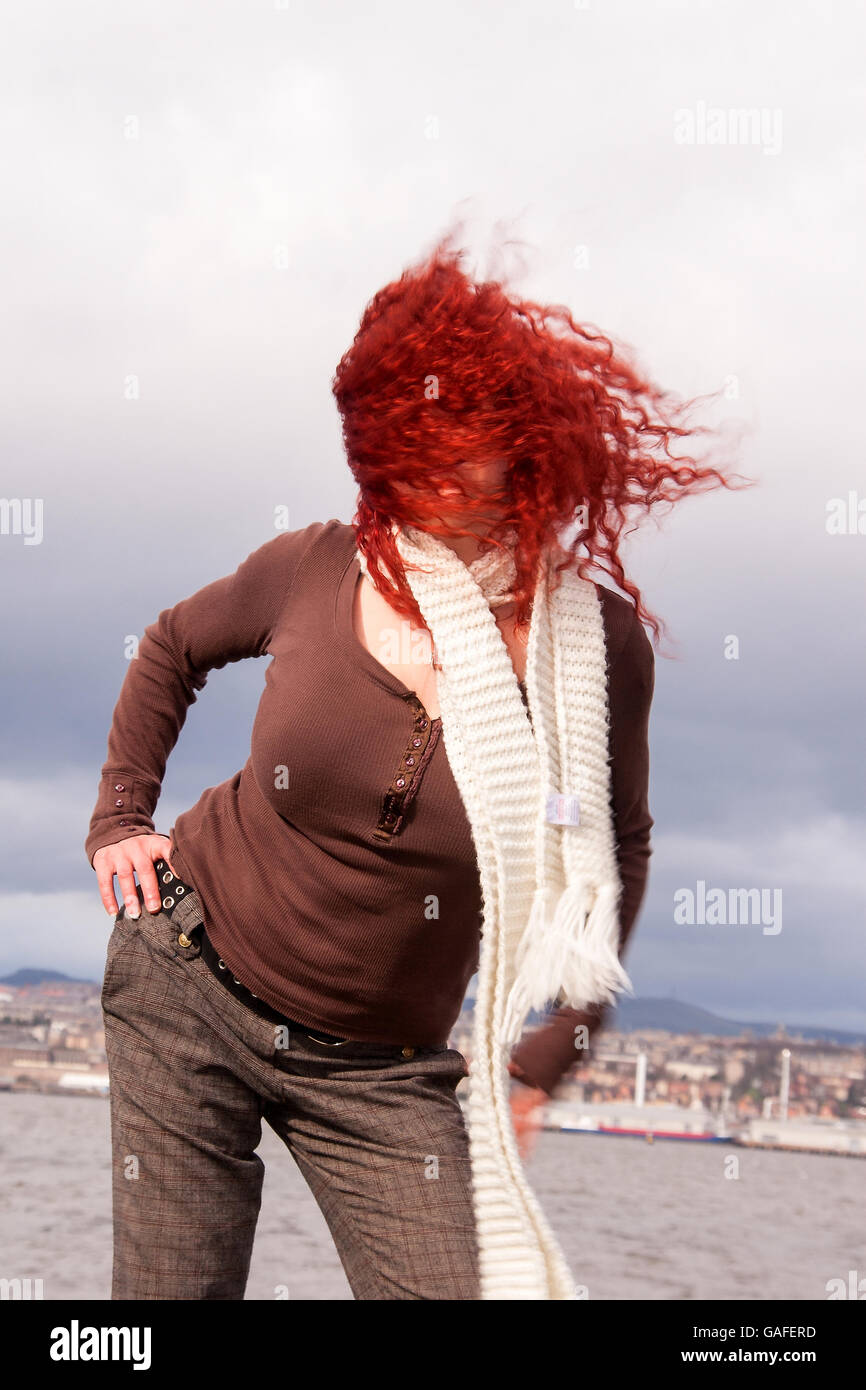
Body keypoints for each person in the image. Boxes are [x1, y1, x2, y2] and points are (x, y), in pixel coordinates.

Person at [86, 232, 742, 1300]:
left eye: (452, 451)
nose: (424, 486)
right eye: (399, 459)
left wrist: (554, 1049)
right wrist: (121, 818)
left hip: (383, 1071)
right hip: (187, 981)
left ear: (519, 440)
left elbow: (617, 841)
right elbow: (169, 646)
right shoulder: (315, 567)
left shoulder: (596, 649)